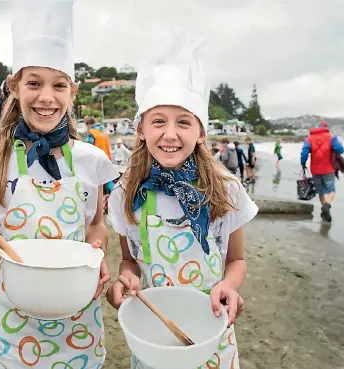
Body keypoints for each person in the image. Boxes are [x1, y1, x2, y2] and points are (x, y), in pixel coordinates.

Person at [0, 2, 119, 367]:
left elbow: (95, 225)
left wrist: (97, 251)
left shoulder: (92, 160)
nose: (47, 97)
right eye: (34, 83)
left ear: (72, 92)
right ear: (14, 87)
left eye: (59, 85)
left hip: (79, 321)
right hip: (14, 326)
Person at [106, 32, 258, 369]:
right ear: (141, 129)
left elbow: (236, 261)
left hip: (212, 337)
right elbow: (129, 262)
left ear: (201, 132)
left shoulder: (226, 190)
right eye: (158, 121)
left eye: (184, 122)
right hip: (154, 338)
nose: (170, 134)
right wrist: (126, 280)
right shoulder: (124, 195)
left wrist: (229, 287)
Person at [300, 121, 344, 222]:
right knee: (331, 190)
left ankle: (324, 208)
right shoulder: (331, 137)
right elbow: (341, 150)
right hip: (329, 169)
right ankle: (327, 205)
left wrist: (303, 163)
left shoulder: (309, 139)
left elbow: (304, 153)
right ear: (325, 127)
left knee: (320, 192)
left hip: (315, 169)